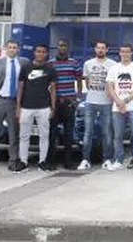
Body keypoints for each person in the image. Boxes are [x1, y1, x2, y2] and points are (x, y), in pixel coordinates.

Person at [0, 40, 30, 174]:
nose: (12, 50)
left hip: (15, 102)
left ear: (18, 49)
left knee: (14, 133)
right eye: (10, 47)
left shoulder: (24, 63)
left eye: (15, 48)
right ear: (5, 49)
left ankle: (13, 161)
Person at [16, 43, 57, 172]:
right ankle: (23, 162)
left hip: (44, 107)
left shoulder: (50, 69)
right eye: (38, 51)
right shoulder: (25, 67)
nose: (40, 54)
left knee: (44, 136)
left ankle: (42, 162)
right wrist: (18, 107)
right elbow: (20, 87)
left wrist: (53, 107)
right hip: (26, 107)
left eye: (43, 52)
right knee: (24, 136)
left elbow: (53, 89)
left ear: (46, 54)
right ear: (34, 52)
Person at [105, 43, 133, 172]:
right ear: (119, 53)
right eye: (122, 51)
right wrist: (119, 102)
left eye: (127, 51)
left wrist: (126, 100)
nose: (125, 54)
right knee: (117, 136)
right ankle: (118, 160)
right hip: (117, 108)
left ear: (131, 53)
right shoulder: (113, 68)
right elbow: (110, 88)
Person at [78, 40, 116, 170]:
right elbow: (87, 82)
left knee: (107, 133)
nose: (100, 50)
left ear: (107, 50)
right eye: (98, 48)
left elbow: (113, 84)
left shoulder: (113, 65)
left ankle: (107, 159)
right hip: (90, 102)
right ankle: (85, 160)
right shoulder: (88, 64)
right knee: (88, 132)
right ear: (95, 49)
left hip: (107, 103)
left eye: (103, 48)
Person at [48, 39, 81, 170]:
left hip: (69, 103)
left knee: (68, 134)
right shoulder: (50, 64)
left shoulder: (74, 63)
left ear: (68, 48)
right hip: (55, 103)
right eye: (60, 45)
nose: (62, 48)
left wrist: (76, 98)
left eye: (65, 46)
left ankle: (68, 162)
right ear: (57, 48)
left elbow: (79, 79)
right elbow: (48, 83)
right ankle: (51, 162)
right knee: (52, 134)